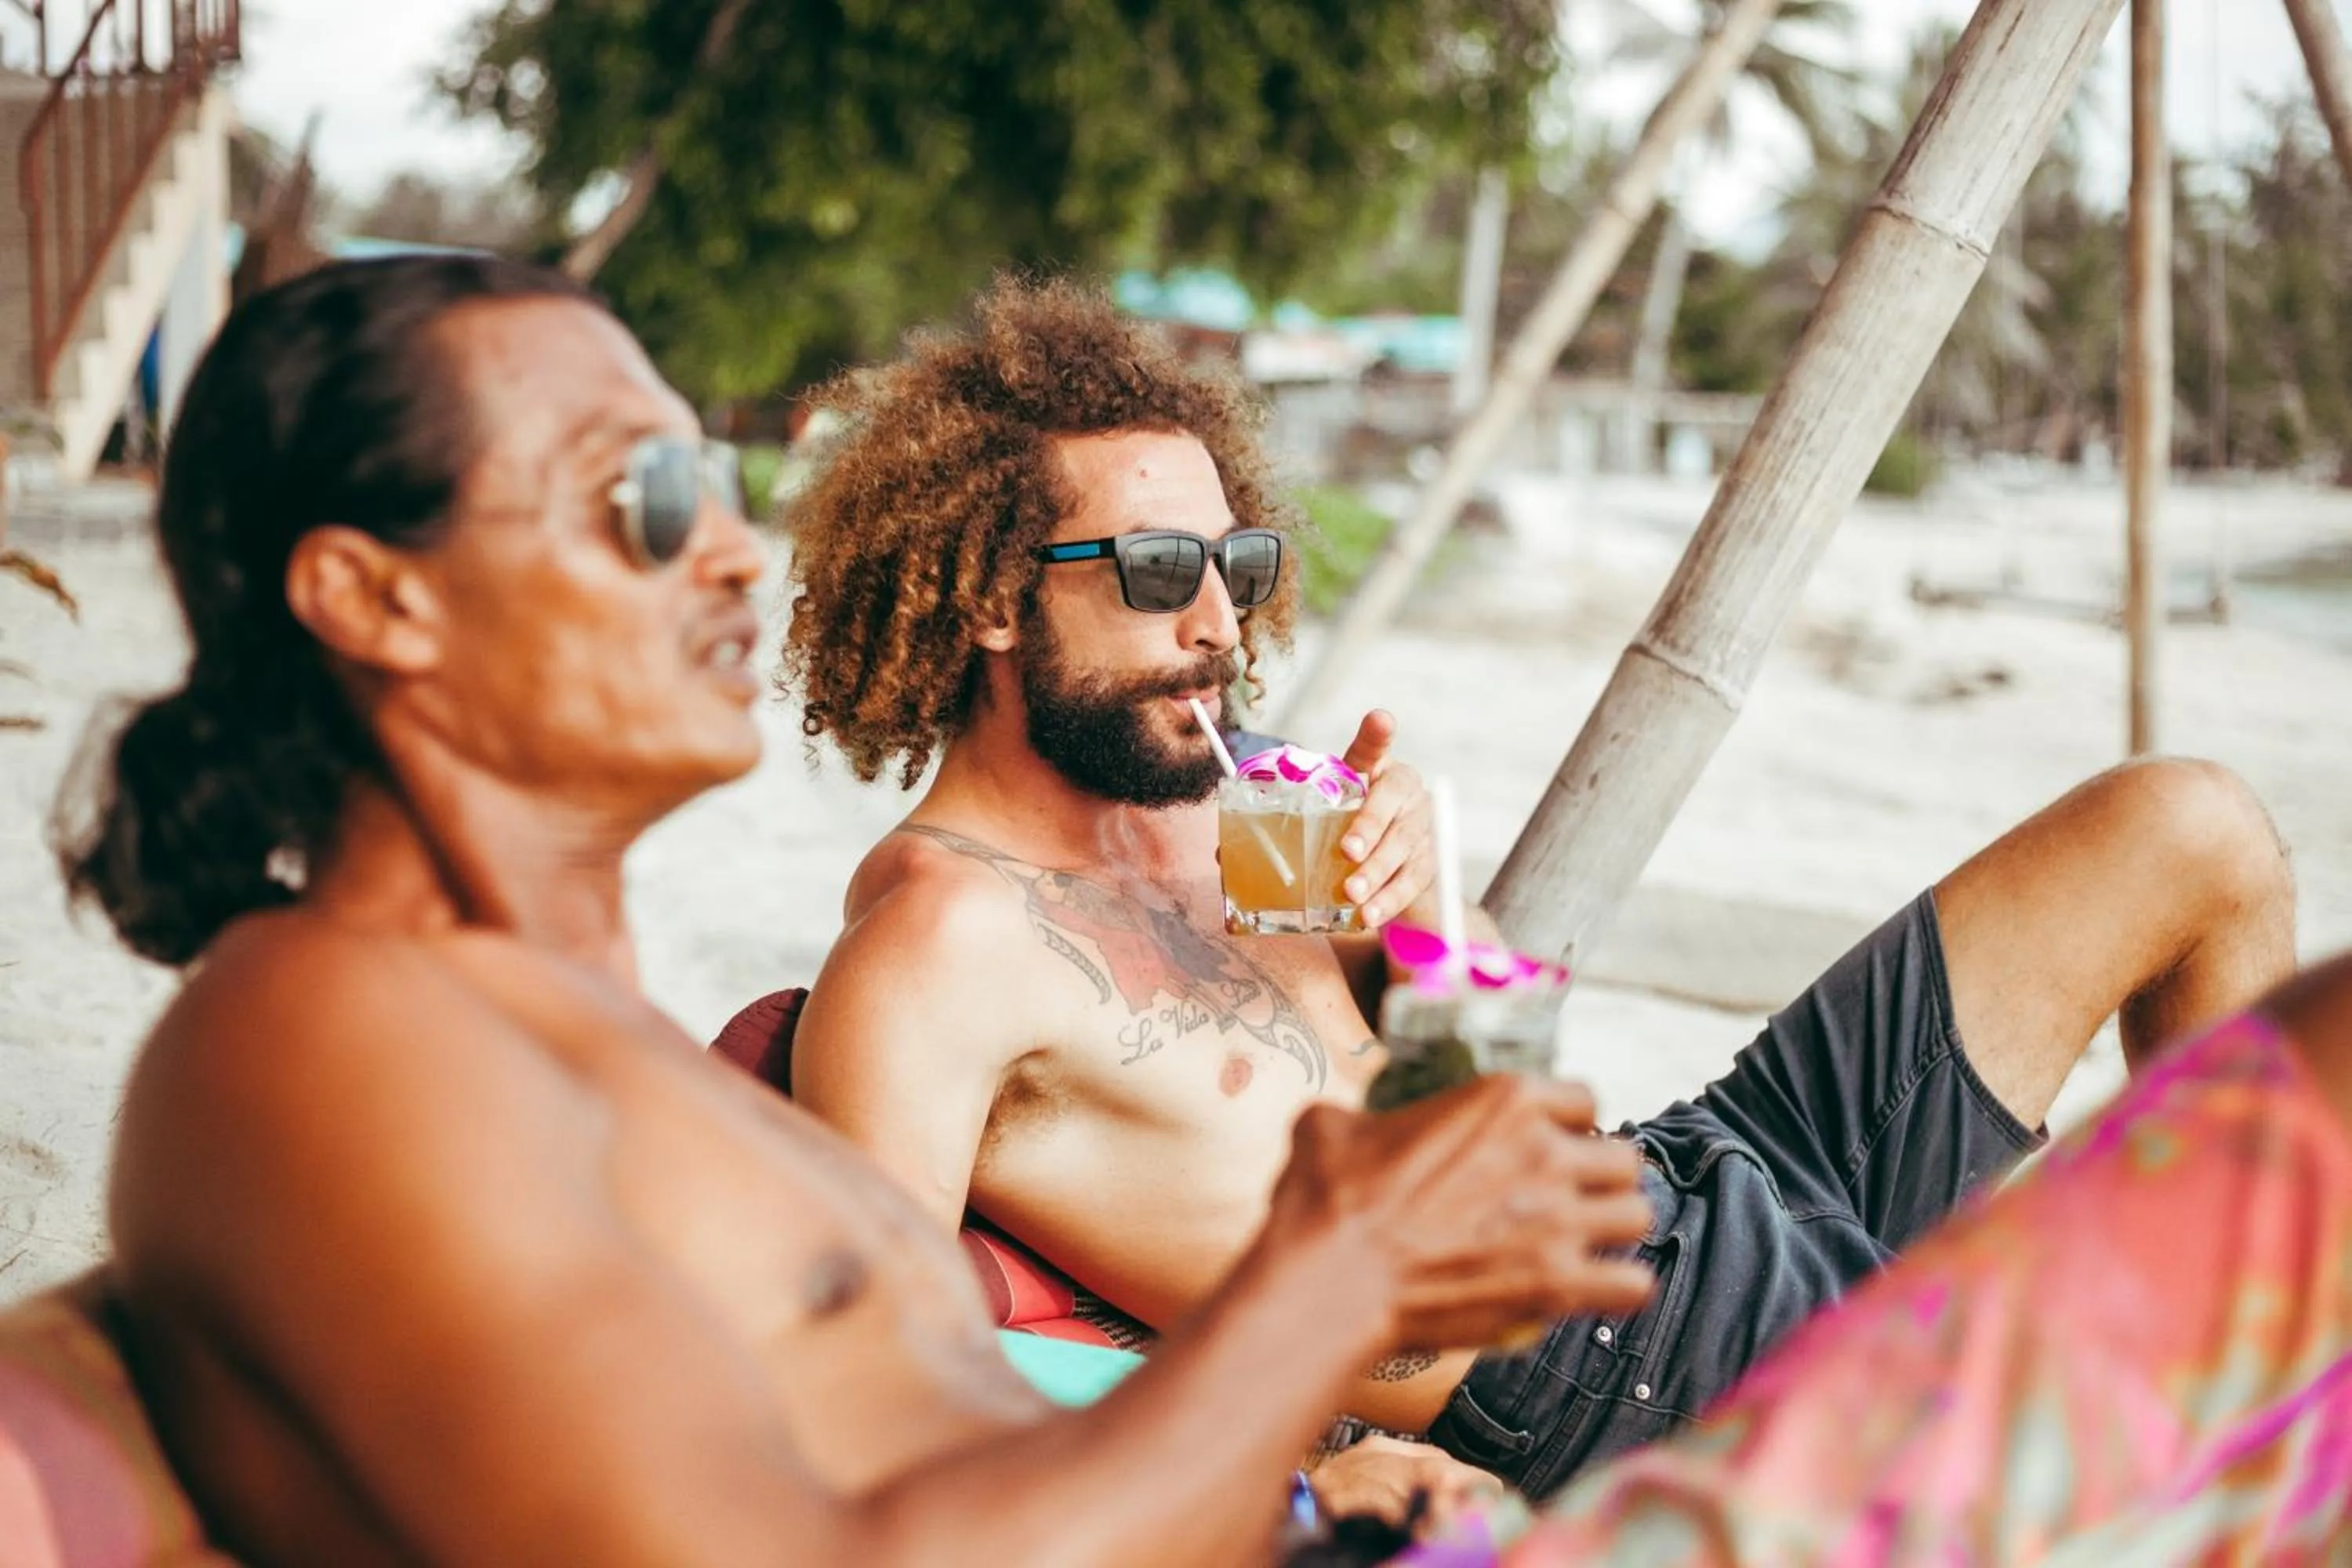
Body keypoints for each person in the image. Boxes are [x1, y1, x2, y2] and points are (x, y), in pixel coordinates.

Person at [60, 256, 1655, 1565]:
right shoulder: (330, 1033)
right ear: (375, 597)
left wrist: (1309, 1481)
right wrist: (1323, 1292)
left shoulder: (560, 1029)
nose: (743, 558)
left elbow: (929, 1418)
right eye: (648, 499)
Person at [780, 275, 2302, 1498]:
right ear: (988, 593)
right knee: (2227, 1312)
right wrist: (1298, 1468)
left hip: (1698, 1172)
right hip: (1606, 1373)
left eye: (1238, 567)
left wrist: (1424, 925)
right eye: (1161, 572)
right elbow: (885, 1400)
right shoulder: (934, 948)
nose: (1222, 625)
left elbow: (1478, 1087)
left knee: (2195, 827)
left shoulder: (1208, 817)